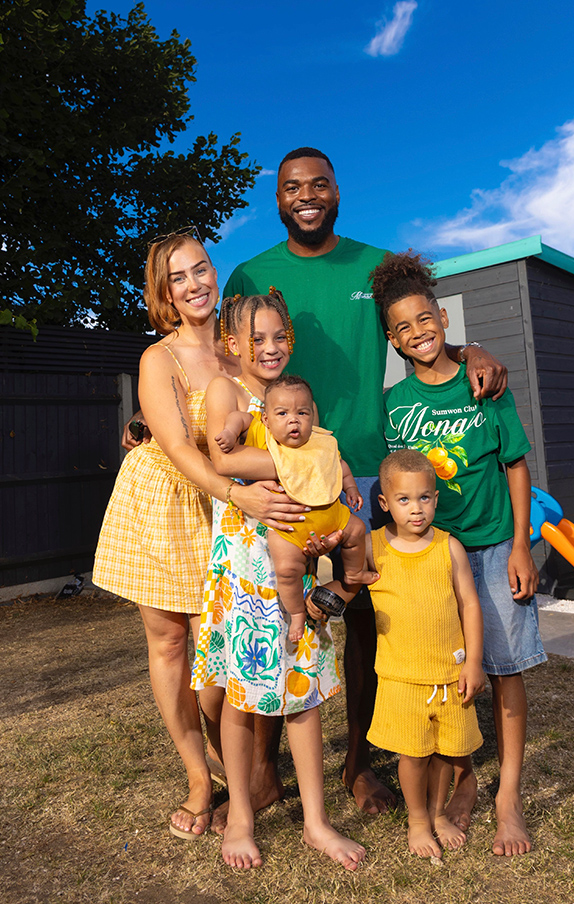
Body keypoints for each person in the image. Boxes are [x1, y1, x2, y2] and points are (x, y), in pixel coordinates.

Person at [221, 146, 507, 822]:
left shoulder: (373, 266)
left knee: (363, 623)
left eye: (319, 183)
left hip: (367, 471)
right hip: (280, 473)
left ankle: (354, 766)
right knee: (276, 616)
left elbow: (417, 325)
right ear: (279, 198)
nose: (307, 195)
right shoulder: (249, 271)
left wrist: (472, 349)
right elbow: (216, 355)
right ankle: (262, 770)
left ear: (337, 191)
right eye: (293, 187)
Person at [93, 230, 308, 841]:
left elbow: (273, 422)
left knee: (223, 653)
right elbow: (181, 449)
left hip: (230, 517)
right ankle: (198, 777)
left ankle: (254, 770)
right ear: (164, 291)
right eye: (179, 276)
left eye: (202, 269)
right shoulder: (157, 360)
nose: (195, 283)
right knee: (169, 647)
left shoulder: (242, 350)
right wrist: (236, 491)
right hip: (166, 505)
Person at [372, 250, 547, 856]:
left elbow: (516, 464)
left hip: (496, 545)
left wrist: (522, 545)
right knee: (450, 674)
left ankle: (508, 799)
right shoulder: (395, 405)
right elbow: (396, 483)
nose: (418, 333)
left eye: (426, 320)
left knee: (502, 668)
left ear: (444, 318)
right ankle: (465, 780)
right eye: (403, 328)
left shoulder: (485, 384)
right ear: (392, 340)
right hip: (432, 558)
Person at [191, 292, 365, 870]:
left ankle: (316, 820)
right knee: (241, 697)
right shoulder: (228, 391)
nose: (269, 348)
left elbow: (322, 463)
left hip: (292, 564)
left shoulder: (291, 400)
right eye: (256, 339)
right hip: (243, 568)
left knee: (303, 693)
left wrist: (329, 470)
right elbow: (226, 462)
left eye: (278, 337)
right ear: (232, 345)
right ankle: (240, 816)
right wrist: (315, 466)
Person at [366, 449, 485, 859]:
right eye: (403, 500)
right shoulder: (373, 546)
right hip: (401, 677)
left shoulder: (449, 547)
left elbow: (470, 604)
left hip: (449, 674)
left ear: (436, 498)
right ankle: (417, 821)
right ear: (385, 503)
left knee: (445, 753)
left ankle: (437, 814)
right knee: (413, 754)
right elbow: (344, 578)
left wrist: (473, 661)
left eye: (424, 498)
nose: (415, 509)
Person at [216, 371, 377, 642]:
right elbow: (238, 418)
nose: (294, 420)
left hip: (332, 516)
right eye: (282, 414)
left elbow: (339, 465)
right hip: (291, 527)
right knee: (287, 570)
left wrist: (350, 487)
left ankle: (353, 572)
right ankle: (297, 614)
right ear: (266, 419)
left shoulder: (319, 441)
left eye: (302, 413)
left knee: (357, 530)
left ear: (312, 417)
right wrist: (231, 433)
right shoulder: (258, 430)